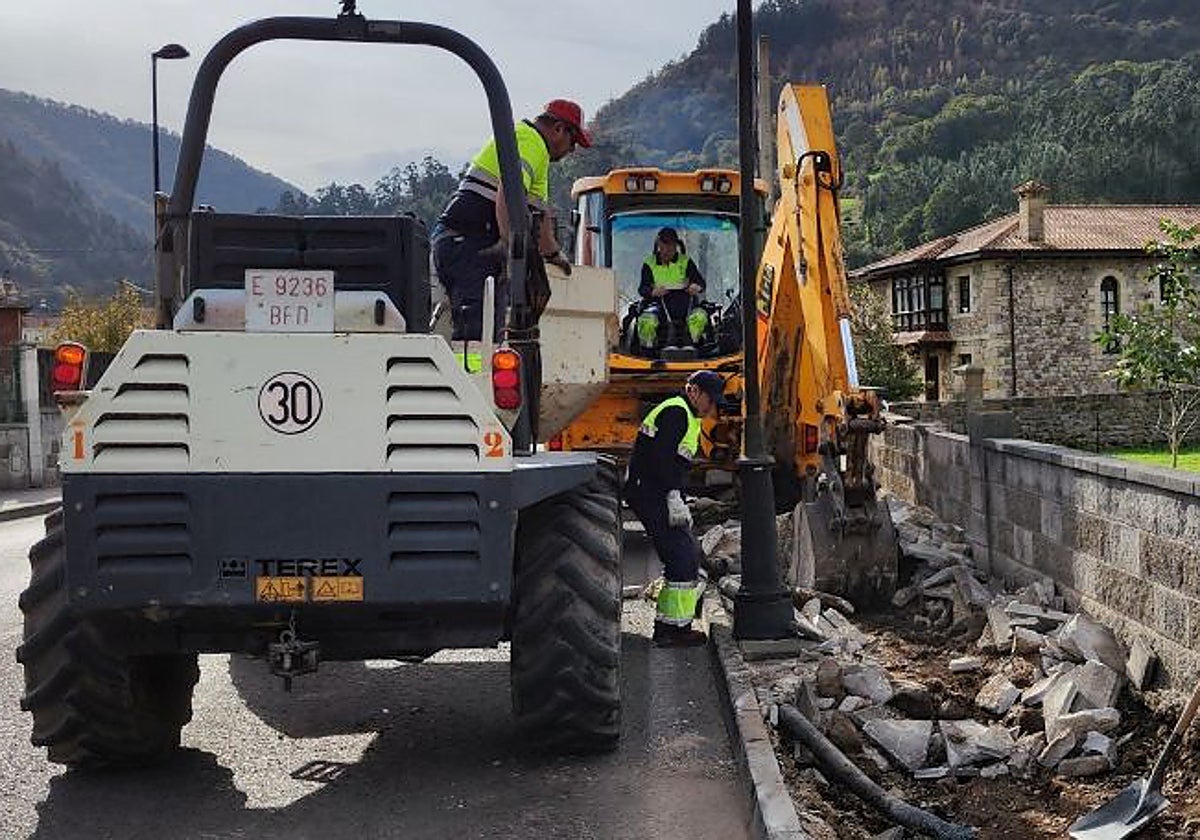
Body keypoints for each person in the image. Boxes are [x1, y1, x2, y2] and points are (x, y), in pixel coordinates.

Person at [432, 99, 590, 350]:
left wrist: (553, 254)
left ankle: (480, 369)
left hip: (466, 242)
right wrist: (510, 246)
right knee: (478, 331)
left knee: (490, 328)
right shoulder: (530, 142)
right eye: (573, 142)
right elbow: (509, 191)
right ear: (559, 129)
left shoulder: (534, 151)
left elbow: (540, 214)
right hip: (468, 243)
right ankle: (473, 372)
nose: (572, 150)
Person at [624, 370, 724, 647]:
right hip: (652, 493)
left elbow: (670, 463)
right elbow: (662, 460)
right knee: (682, 557)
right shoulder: (676, 413)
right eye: (710, 400)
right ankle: (673, 631)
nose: (712, 408)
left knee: (684, 555)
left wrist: (678, 495)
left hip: (652, 492)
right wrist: (672, 496)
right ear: (694, 391)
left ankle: (670, 628)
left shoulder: (684, 414)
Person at [635, 227, 709, 352]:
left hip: (685, 305)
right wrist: (653, 292)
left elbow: (701, 283)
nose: (667, 251)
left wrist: (696, 287)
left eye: (671, 246)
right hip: (658, 306)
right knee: (646, 321)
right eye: (664, 246)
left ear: (676, 245)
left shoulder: (685, 261)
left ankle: (694, 347)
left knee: (700, 317)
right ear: (659, 245)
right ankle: (649, 350)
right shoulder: (649, 263)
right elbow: (642, 289)